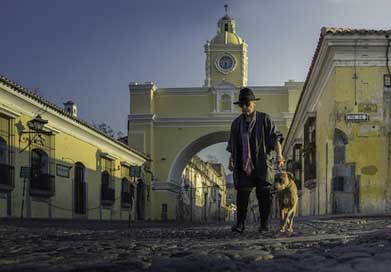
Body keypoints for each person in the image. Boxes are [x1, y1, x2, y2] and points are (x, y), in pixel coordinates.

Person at [227, 87, 285, 233]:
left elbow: (275, 138)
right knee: (242, 194)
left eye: (248, 104)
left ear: (254, 103)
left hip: (261, 163)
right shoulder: (236, 124)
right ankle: (240, 224)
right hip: (242, 164)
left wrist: (279, 155)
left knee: (264, 194)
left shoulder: (264, 119)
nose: (245, 107)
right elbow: (233, 144)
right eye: (242, 105)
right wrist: (231, 159)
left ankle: (264, 225)